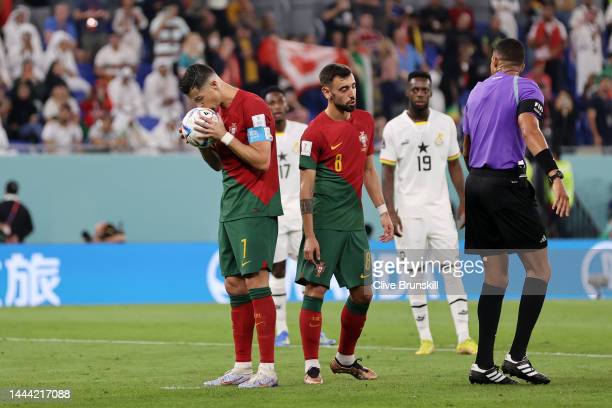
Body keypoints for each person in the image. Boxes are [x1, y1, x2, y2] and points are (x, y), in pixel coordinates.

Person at [463, 38, 570, 385]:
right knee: (539, 271)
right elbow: (529, 128)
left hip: (476, 183)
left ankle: (483, 364)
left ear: (494, 60)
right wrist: (554, 174)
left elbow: (467, 145)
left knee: (495, 278)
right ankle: (517, 357)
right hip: (507, 186)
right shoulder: (526, 86)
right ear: (520, 65)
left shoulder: (475, 92)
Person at [178, 63, 282, 388]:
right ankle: (240, 366)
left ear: (214, 84)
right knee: (234, 284)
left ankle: (267, 370)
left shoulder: (254, 108)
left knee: (255, 280)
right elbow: (219, 165)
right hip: (231, 205)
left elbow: (262, 159)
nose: (199, 106)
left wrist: (222, 134)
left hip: (255, 202)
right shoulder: (214, 115)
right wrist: (203, 144)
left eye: (199, 98)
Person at [296, 63, 394, 385]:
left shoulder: (364, 121)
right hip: (323, 223)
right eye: (344, 89)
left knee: (364, 293)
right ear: (327, 92)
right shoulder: (314, 132)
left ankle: (345, 359)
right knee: (316, 289)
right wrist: (310, 235)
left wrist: (382, 210)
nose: (352, 93)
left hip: (353, 223)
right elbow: (305, 188)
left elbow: (368, 170)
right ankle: (312, 365)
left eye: (353, 87)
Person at [380, 71, 477, 357]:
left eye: (424, 89)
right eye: (415, 90)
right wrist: (390, 211)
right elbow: (386, 174)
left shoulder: (445, 124)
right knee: (415, 275)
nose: (420, 94)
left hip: (439, 211)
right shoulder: (394, 128)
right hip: (408, 213)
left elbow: (455, 166)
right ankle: (425, 339)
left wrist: (464, 200)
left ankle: (464, 337)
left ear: (431, 92)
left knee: (452, 272)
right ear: (408, 92)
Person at [263, 87, 337, 348]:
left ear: (286, 104)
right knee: (278, 270)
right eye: (271, 102)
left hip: (301, 213)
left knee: (310, 272)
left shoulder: (301, 131)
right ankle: (281, 330)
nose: (277, 106)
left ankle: (317, 330)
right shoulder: (261, 136)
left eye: (280, 101)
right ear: (266, 107)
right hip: (275, 214)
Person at [587, 77, 612, 146]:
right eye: (604, 82)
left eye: (609, 82)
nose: (607, 85)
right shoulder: (594, 100)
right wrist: (596, 135)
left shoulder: (609, 100)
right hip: (600, 135)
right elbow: (591, 118)